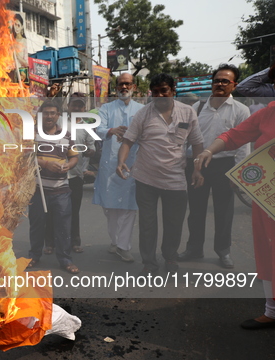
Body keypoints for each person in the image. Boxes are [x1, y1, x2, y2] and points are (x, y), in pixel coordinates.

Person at [196, 62, 275, 329]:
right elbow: (233, 137)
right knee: (267, 249)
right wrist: (209, 150)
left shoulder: (241, 108)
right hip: (267, 196)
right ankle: (271, 311)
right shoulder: (268, 113)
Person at [116, 73, 204, 275]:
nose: (160, 95)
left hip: (175, 179)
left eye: (164, 91)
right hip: (145, 178)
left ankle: (170, 257)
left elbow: (198, 143)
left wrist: (198, 170)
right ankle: (149, 262)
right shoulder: (143, 114)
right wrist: (120, 162)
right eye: (155, 92)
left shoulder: (188, 113)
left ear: (173, 91)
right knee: (148, 224)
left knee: (174, 223)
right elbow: (128, 141)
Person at [178, 64, 251, 268]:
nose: (220, 84)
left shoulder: (241, 110)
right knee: (196, 210)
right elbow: (186, 138)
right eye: (217, 80)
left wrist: (238, 176)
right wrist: (190, 165)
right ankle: (194, 248)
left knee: (224, 211)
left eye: (225, 81)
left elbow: (243, 145)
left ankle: (223, 251)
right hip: (198, 164)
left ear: (233, 85)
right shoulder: (197, 108)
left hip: (225, 166)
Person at [93, 73, 144, 262]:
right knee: (110, 208)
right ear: (116, 88)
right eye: (121, 84)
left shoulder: (142, 109)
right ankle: (115, 241)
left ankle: (124, 246)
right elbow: (98, 129)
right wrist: (111, 131)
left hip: (134, 164)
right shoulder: (106, 108)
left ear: (134, 87)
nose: (124, 87)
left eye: (128, 84)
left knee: (129, 207)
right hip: (109, 165)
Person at [27, 100, 79, 274]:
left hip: (61, 189)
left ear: (58, 115)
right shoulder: (31, 133)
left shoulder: (67, 134)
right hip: (37, 188)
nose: (49, 116)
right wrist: (45, 163)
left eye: (52, 113)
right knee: (36, 224)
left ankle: (65, 259)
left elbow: (74, 157)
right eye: (46, 113)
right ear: (40, 114)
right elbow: (25, 157)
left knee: (63, 226)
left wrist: (69, 166)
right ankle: (33, 256)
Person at [44, 98, 96, 254]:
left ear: (84, 108)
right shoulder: (59, 121)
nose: (77, 107)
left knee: (73, 211)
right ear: (68, 106)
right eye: (74, 104)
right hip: (54, 174)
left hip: (75, 175)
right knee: (51, 211)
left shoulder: (87, 127)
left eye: (80, 105)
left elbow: (92, 149)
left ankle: (74, 241)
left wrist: (88, 151)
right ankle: (50, 243)